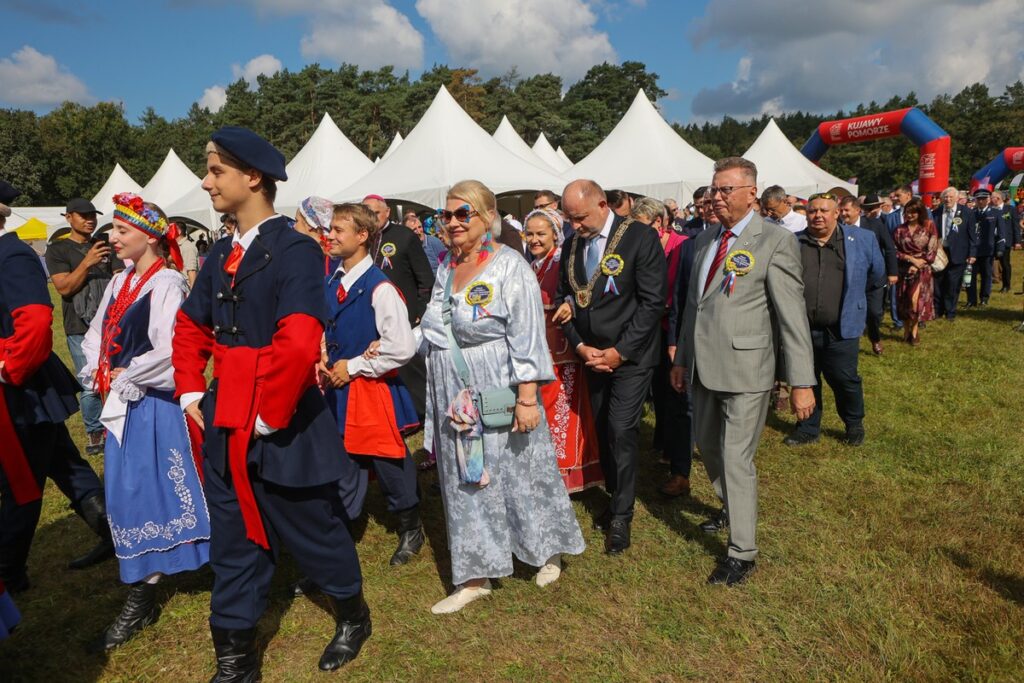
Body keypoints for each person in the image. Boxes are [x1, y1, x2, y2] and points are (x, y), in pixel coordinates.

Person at [172, 126, 369, 677]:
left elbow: (301, 335)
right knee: (232, 533)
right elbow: (190, 325)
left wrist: (266, 415)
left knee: (312, 526)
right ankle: (235, 658)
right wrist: (191, 387)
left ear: (251, 177)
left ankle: (352, 613)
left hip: (282, 418)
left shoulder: (297, 248)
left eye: (216, 171)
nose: (206, 181)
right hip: (225, 415)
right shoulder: (219, 253)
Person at [417, 180, 584, 614]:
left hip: (501, 383)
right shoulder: (445, 267)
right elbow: (435, 322)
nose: (452, 223)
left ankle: (545, 550)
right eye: (446, 215)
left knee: (519, 468)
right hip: (454, 388)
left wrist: (527, 398)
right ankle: (475, 572)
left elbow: (527, 334)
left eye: (462, 214)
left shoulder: (510, 266)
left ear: (488, 217)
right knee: (466, 475)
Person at [671, 157, 815, 586]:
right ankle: (735, 508)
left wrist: (802, 382)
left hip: (748, 367)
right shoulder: (705, 240)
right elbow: (694, 305)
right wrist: (681, 359)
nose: (717, 197)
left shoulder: (773, 241)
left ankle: (742, 551)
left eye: (726, 189)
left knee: (736, 457)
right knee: (710, 451)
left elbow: (792, 318)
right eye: (714, 189)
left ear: (752, 193)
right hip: (701, 366)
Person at [79, 193, 210, 652]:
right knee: (129, 489)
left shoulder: (168, 283)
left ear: (149, 236)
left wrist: (129, 374)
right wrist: (96, 367)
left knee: (148, 489)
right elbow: (97, 333)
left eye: (122, 230)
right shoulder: (120, 283)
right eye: (113, 229)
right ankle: (147, 579)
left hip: (155, 404)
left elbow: (174, 349)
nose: (112, 238)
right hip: (125, 401)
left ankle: (143, 591)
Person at [0, 187, 113, 592]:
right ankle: (112, 533)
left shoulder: (10, 255)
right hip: (23, 389)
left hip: (22, 389)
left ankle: (8, 571)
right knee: (65, 464)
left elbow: (32, 322)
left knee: (21, 482)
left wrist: (6, 369)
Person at [558, 180, 666, 555]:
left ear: (603, 204)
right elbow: (564, 298)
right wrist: (580, 345)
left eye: (580, 218)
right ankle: (614, 492)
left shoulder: (639, 238)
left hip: (630, 356)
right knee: (602, 428)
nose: (574, 226)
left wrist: (620, 351)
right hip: (591, 355)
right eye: (569, 219)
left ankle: (621, 514)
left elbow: (653, 303)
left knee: (621, 429)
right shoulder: (572, 243)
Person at [320, 203, 423, 567]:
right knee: (342, 459)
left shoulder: (379, 288)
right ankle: (341, 530)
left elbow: (402, 346)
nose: (329, 235)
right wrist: (323, 357)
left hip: (369, 387)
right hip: (338, 386)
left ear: (362, 236)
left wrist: (358, 365)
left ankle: (411, 525)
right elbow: (327, 326)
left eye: (338, 230)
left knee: (387, 459)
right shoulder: (333, 280)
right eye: (329, 229)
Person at [784, 193, 883, 447]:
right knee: (806, 377)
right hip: (802, 329)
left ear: (837, 213)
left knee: (844, 378)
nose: (818, 215)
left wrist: (859, 305)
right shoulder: (793, 242)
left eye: (824, 211)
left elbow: (876, 275)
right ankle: (807, 427)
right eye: (813, 211)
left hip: (842, 326)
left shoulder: (862, 240)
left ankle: (853, 424)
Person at [522, 207, 603, 494]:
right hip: (539, 349)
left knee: (563, 412)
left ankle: (567, 473)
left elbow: (577, 290)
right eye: (529, 233)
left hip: (562, 349)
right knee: (546, 408)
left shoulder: (562, 262)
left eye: (540, 233)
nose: (534, 239)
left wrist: (569, 302)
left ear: (555, 236)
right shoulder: (532, 265)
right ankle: (547, 468)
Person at [45, 198, 123, 455]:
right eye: (83, 215)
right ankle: (95, 435)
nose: (90, 219)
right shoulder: (57, 250)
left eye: (93, 215)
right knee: (90, 382)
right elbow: (64, 288)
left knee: (117, 377)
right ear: (69, 218)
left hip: (112, 323)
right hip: (79, 326)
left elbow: (119, 280)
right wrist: (88, 262)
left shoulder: (105, 246)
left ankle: (117, 426)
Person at [631, 198, 692, 496]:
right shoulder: (642, 246)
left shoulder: (682, 246)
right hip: (649, 330)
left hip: (673, 331)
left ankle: (679, 463)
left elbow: (681, 293)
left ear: (658, 223)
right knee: (658, 390)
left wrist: (674, 339)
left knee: (677, 394)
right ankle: (662, 443)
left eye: (640, 227)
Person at [362, 194, 433, 419]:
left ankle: (422, 413)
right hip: (374, 314)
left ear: (387, 213)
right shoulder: (363, 239)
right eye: (366, 213)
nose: (371, 218)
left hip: (407, 314)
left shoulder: (404, 236)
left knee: (409, 369)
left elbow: (425, 278)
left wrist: (420, 312)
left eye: (375, 213)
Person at [838, 195, 897, 354]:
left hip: (874, 280)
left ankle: (875, 338)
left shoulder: (874, 225)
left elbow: (889, 248)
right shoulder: (836, 228)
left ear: (857, 210)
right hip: (849, 280)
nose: (843, 213)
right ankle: (849, 342)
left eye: (847, 210)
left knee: (874, 312)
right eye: (841, 210)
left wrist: (892, 272)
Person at [893, 197, 939, 345]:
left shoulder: (929, 226)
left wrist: (919, 263)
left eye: (913, 212)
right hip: (904, 269)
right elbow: (893, 251)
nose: (910, 215)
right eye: (907, 212)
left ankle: (914, 331)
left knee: (915, 301)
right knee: (904, 302)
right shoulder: (899, 230)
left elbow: (932, 249)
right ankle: (906, 330)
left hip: (922, 270)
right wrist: (910, 259)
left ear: (920, 213)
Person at [931, 187, 977, 320]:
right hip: (940, 254)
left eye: (951, 197)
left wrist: (972, 253)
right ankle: (938, 310)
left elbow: (972, 235)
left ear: (957, 198)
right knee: (938, 283)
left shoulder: (967, 212)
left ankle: (950, 312)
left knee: (953, 283)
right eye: (945, 197)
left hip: (959, 253)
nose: (948, 199)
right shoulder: (936, 212)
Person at [968, 189, 997, 307]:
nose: (980, 201)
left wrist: (1000, 247)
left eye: (983, 199)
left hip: (986, 249)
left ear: (988, 199)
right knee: (970, 275)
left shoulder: (994, 213)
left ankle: (984, 298)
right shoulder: (971, 213)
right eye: (978, 199)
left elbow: (1000, 232)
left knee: (986, 275)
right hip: (973, 249)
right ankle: (971, 299)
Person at [295, 195, 336, 274]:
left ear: (309, 225)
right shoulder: (333, 253)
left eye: (297, 221)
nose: (294, 226)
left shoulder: (308, 254)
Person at [991, 191, 1020, 292]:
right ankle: (989, 283)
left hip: (1005, 241)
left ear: (1002, 199)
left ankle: (1006, 285)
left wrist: (1017, 242)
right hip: (991, 240)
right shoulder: (990, 210)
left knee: (1005, 263)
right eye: (992, 197)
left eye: (996, 198)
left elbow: (1015, 226)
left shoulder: (1010, 209)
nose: (993, 199)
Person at [405, 210, 445, 275]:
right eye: (414, 229)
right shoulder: (408, 248)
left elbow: (446, 265)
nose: (418, 231)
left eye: (420, 227)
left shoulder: (434, 242)